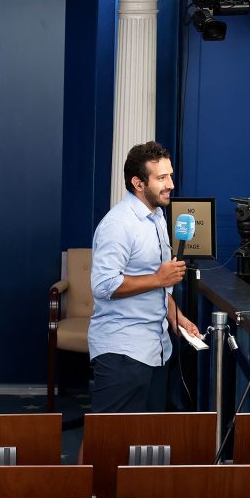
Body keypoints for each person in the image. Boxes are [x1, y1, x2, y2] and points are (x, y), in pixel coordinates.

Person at [88, 141, 201, 413]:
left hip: (157, 349)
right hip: (122, 352)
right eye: (161, 178)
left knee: (144, 440)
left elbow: (158, 286)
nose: (170, 184)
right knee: (104, 439)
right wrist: (159, 279)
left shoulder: (158, 217)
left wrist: (177, 317)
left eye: (170, 175)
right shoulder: (118, 225)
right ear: (138, 183)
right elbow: (104, 286)